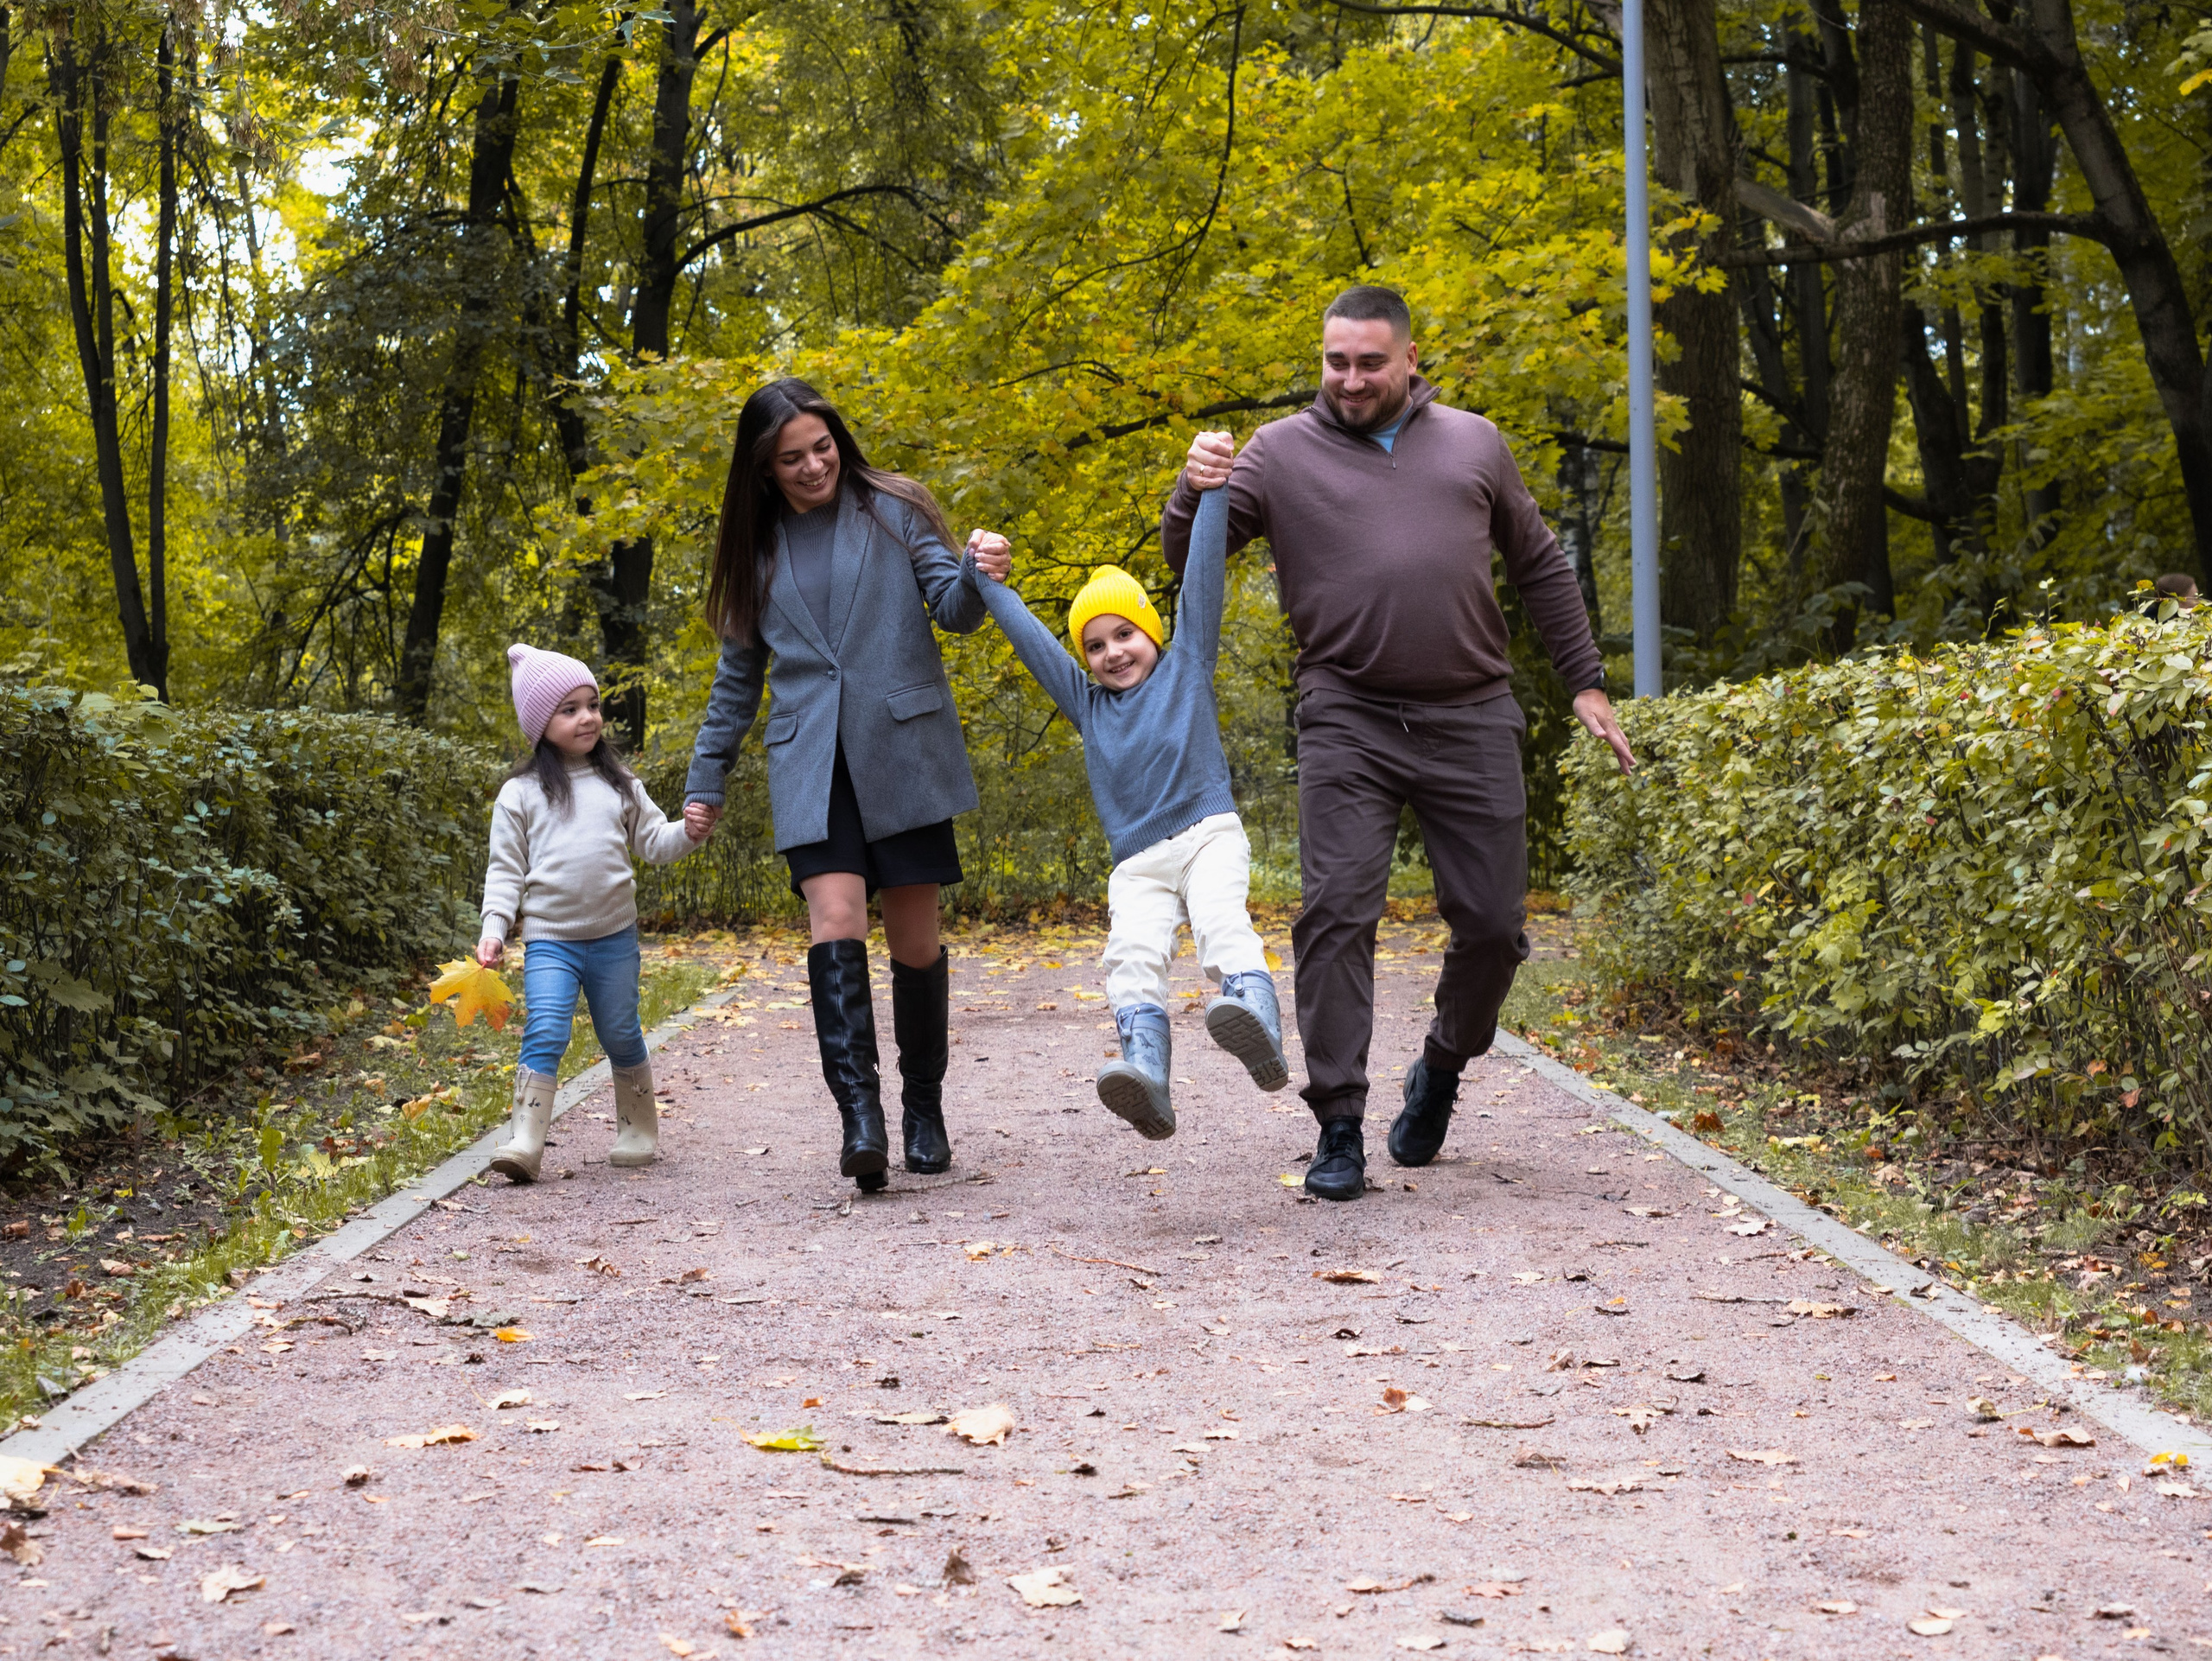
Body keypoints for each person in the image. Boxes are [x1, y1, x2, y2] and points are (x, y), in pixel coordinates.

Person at [1160, 283, 1637, 1201]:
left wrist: (1584, 680)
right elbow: (1190, 556)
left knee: (1493, 926)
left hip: (1472, 711)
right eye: (1335, 361)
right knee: (1337, 911)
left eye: (1370, 362)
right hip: (1348, 713)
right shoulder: (1278, 452)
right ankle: (1338, 1123)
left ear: (1411, 359)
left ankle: (1442, 1068)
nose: (1350, 379)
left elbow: (1538, 561)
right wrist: (1192, 488)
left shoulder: (1473, 442)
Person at [682, 379, 990, 1193]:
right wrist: (707, 777)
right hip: (811, 765)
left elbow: (954, 609)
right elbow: (736, 681)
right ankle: (861, 1120)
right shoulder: (755, 552)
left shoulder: (895, 508)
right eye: (793, 458)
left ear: (838, 441)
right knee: (836, 921)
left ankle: (923, 1109)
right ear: (763, 468)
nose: (814, 465)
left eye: (822, 448)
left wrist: (976, 571)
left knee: (915, 944)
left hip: (904, 749)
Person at [967, 485, 1288, 1138]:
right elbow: (1030, 640)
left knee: (1221, 923)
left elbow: (1203, 575)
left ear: (1152, 632)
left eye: (1124, 634)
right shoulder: (1088, 707)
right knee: (1130, 957)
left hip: (1207, 836)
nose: (1112, 652)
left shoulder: (1187, 664)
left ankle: (1256, 1013)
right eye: (1094, 646)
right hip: (1138, 863)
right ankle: (1147, 1073)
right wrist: (983, 579)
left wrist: (1213, 490)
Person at [479, 644, 707, 1182]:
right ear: (540, 723)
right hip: (550, 942)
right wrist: (494, 929)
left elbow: (654, 840)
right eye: (570, 709)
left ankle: (637, 1128)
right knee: (546, 1029)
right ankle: (525, 1140)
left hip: (613, 938)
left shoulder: (618, 782)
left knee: (621, 1032)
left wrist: (690, 832)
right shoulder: (520, 794)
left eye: (593, 705)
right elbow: (505, 871)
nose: (587, 717)